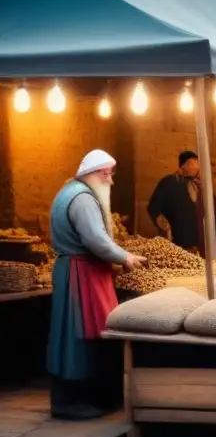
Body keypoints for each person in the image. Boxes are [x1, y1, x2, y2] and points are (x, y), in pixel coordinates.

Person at [48, 150, 147, 419]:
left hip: (79, 270)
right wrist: (124, 257)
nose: (112, 182)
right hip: (81, 276)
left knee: (73, 332)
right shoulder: (82, 199)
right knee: (78, 333)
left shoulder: (70, 190)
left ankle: (83, 397)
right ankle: (73, 400)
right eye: (110, 175)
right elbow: (95, 239)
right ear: (102, 173)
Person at [147, 151, 203, 251]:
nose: (195, 166)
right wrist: (165, 227)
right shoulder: (169, 182)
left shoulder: (197, 184)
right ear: (182, 165)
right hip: (176, 238)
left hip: (196, 239)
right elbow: (153, 207)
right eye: (190, 163)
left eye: (196, 163)